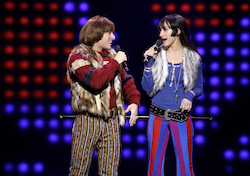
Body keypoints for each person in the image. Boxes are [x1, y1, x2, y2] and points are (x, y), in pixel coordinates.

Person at [66, 15, 141, 176]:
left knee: (110, 172)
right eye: (109, 32)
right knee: (79, 171)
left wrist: (134, 101)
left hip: (112, 121)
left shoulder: (113, 56)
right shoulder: (78, 57)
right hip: (88, 121)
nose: (113, 37)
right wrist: (115, 63)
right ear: (97, 33)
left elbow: (126, 80)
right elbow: (95, 81)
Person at [141, 14, 203, 176]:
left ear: (177, 31)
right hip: (157, 116)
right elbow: (146, 87)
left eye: (165, 30)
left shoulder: (193, 58)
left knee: (185, 167)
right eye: (160, 30)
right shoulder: (157, 55)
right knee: (154, 166)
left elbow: (199, 87)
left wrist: (189, 95)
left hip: (181, 118)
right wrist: (149, 62)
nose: (161, 34)